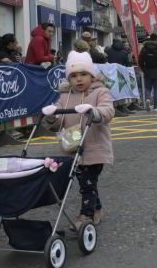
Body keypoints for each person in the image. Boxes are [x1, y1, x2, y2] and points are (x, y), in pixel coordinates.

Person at [41, 51, 115, 225]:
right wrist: (52, 116)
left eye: (83, 74)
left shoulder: (100, 92)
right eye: (73, 76)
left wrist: (93, 112)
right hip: (73, 147)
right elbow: (58, 122)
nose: (79, 79)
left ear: (92, 75)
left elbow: (108, 111)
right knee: (86, 182)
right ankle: (97, 208)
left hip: (95, 148)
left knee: (87, 183)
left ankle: (86, 216)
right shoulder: (65, 96)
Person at [138, 33, 157, 110]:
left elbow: (140, 60)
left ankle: (148, 99)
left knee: (148, 88)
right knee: (156, 89)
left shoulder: (144, 48)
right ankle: (156, 106)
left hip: (147, 71)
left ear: (150, 38)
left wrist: (143, 69)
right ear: (156, 39)